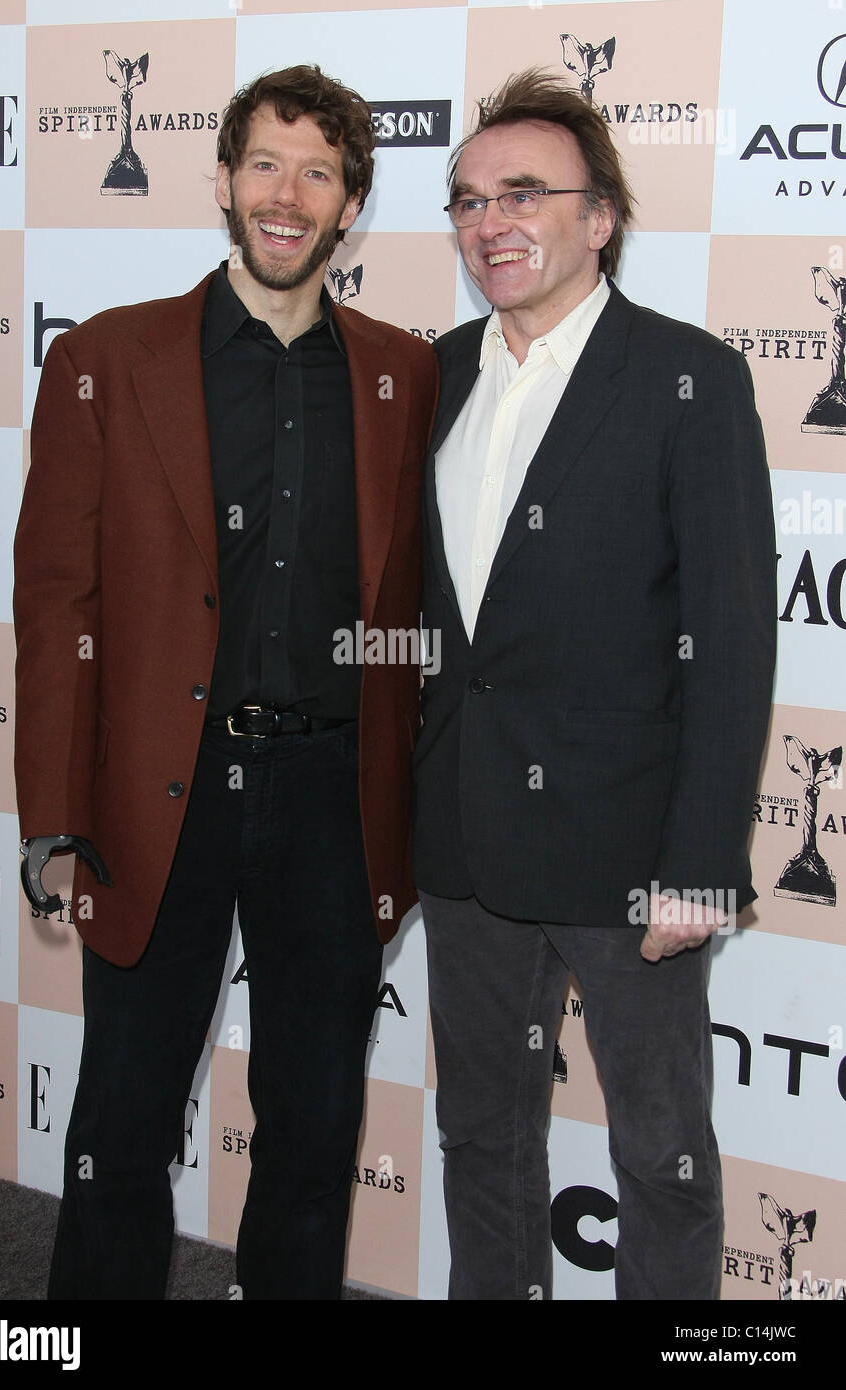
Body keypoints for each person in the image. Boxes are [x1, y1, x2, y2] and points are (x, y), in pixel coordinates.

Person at [13, 63, 438, 1301]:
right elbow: (56, 601)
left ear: (349, 205)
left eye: (318, 172)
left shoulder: (402, 379)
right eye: (264, 163)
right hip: (160, 794)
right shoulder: (107, 357)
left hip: (329, 797)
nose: (287, 194)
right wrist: (52, 814)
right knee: (120, 1126)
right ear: (220, 180)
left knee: (311, 1130)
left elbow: (410, 614)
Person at [412, 68, 776, 1300]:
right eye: (464, 201)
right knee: (480, 1136)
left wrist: (701, 859)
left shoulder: (687, 377)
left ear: (599, 217)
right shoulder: (438, 375)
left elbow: (729, 642)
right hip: (464, 840)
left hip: (630, 848)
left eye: (522, 193)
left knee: (658, 1156)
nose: (488, 223)